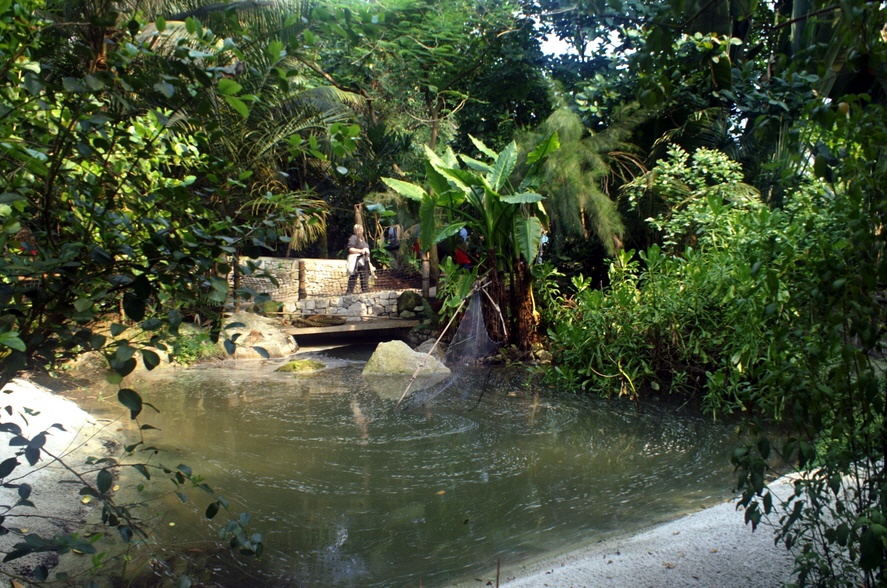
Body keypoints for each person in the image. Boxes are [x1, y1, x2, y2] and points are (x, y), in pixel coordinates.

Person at [346, 224, 372, 294]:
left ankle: (365, 290)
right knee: (353, 276)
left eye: (360, 229)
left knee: (364, 275)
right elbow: (350, 249)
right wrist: (360, 251)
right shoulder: (353, 238)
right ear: (356, 231)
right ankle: (349, 292)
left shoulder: (362, 238)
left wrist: (366, 250)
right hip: (355, 260)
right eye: (358, 230)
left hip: (363, 260)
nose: (360, 231)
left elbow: (366, 246)